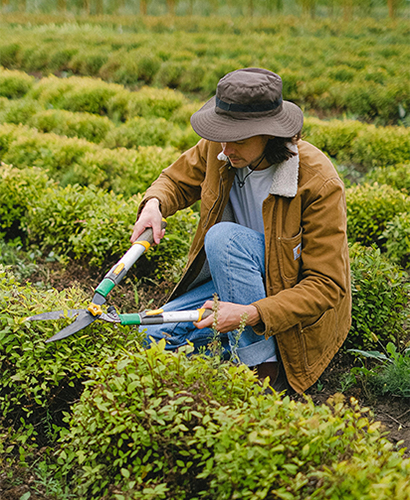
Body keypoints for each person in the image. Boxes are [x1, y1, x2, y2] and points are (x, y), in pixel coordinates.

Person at [131, 67, 351, 394]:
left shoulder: (318, 182)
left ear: (271, 135)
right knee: (150, 334)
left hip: (286, 294)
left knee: (224, 238)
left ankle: (263, 368)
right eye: (222, 135)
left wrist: (250, 313)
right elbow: (175, 181)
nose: (225, 149)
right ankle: (231, 350)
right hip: (236, 277)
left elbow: (326, 285)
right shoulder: (220, 149)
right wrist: (154, 204)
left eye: (238, 139)